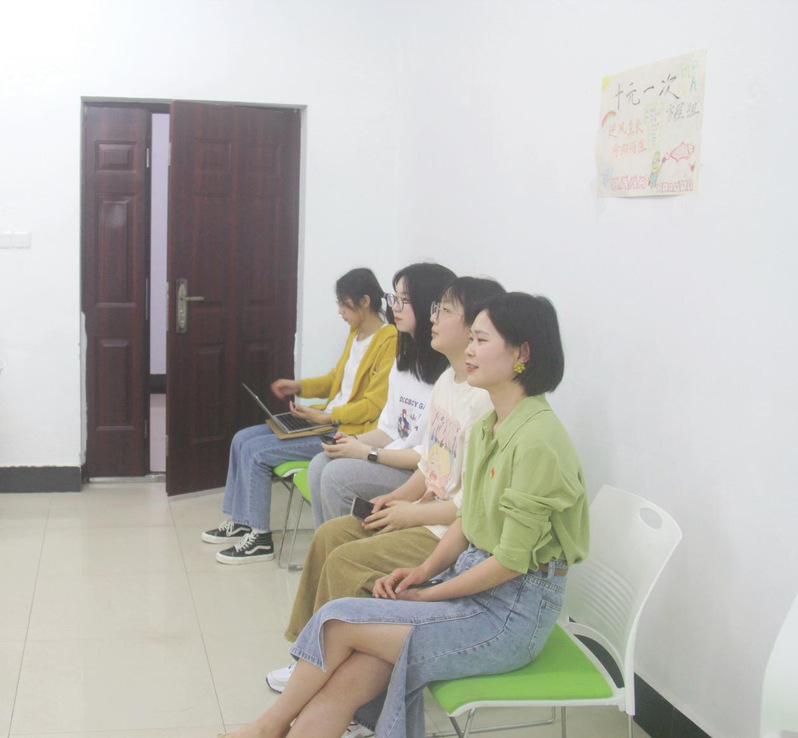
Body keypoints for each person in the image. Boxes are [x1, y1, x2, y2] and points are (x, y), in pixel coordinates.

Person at [226, 292, 589, 737]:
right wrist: (422, 573)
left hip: (509, 617)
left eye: (481, 340)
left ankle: (268, 727)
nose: (470, 350)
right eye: (471, 338)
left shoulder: (538, 442)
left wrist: (429, 595)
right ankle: (272, 728)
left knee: (337, 623)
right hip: (477, 586)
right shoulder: (489, 427)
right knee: (355, 666)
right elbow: (468, 523)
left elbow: (511, 563)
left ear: (523, 354)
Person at [266, 276, 505, 695]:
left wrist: (408, 513)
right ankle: (309, 656)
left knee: (346, 561)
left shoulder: (485, 401)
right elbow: (431, 467)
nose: (433, 318)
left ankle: (332, 678)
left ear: (475, 327)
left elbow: (469, 507)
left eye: (444, 310)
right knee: (328, 536)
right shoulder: (448, 384)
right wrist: (394, 499)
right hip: (424, 514)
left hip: (446, 533)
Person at [202, 268, 397, 564]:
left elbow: (373, 405)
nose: (340, 311)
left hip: (343, 431)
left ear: (365, 301)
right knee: (242, 439)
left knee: (257, 453)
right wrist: (299, 386)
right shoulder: (356, 333)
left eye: (344, 304)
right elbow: (336, 379)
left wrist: (327, 418)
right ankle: (242, 520)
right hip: (325, 420)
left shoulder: (388, 340)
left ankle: (260, 539)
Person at [308, 262, 456, 528]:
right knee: (320, 463)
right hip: (391, 459)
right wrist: (351, 442)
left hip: (417, 473)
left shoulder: (449, 374)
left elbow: (426, 458)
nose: (394, 307)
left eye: (404, 300)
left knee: (335, 475)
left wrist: (366, 452)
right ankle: (330, 546)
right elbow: (389, 430)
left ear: (429, 305)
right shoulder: (403, 361)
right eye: (394, 298)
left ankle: (347, 545)